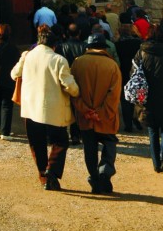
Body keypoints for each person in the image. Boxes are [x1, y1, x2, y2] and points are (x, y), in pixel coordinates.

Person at [10, 26, 79, 191]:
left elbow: (14, 74)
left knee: (37, 144)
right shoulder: (58, 60)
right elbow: (70, 87)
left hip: (30, 109)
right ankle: (52, 171)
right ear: (53, 45)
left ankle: (44, 176)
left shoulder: (27, 56)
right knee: (60, 141)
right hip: (53, 110)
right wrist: (77, 90)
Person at [71, 33, 122, 194]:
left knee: (89, 147)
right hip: (105, 117)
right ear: (104, 47)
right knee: (109, 142)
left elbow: (73, 91)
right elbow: (114, 94)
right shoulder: (112, 65)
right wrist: (101, 112)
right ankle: (105, 172)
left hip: (85, 116)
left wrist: (85, 110)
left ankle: (94, 177)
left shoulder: (78, 63)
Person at [134, 23, 163, 172]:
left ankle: (156, 164)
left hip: (148, 96)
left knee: (152, 130)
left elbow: (134, 75)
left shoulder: (142, 51)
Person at [56, 24, 86, 144]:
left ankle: (65, 132)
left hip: (65, 78)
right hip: (80, 78)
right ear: (79, 33)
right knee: (78, 107)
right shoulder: (84, 46)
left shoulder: (61, 47)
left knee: (65, 106)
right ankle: (77, 134)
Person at [116, 13, 143, 133]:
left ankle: (128, 124)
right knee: (139, 96)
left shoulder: (117, 45)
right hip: (137, 73)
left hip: (123, 73)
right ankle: (137, 117)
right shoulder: (138, 43)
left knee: (125, 99)